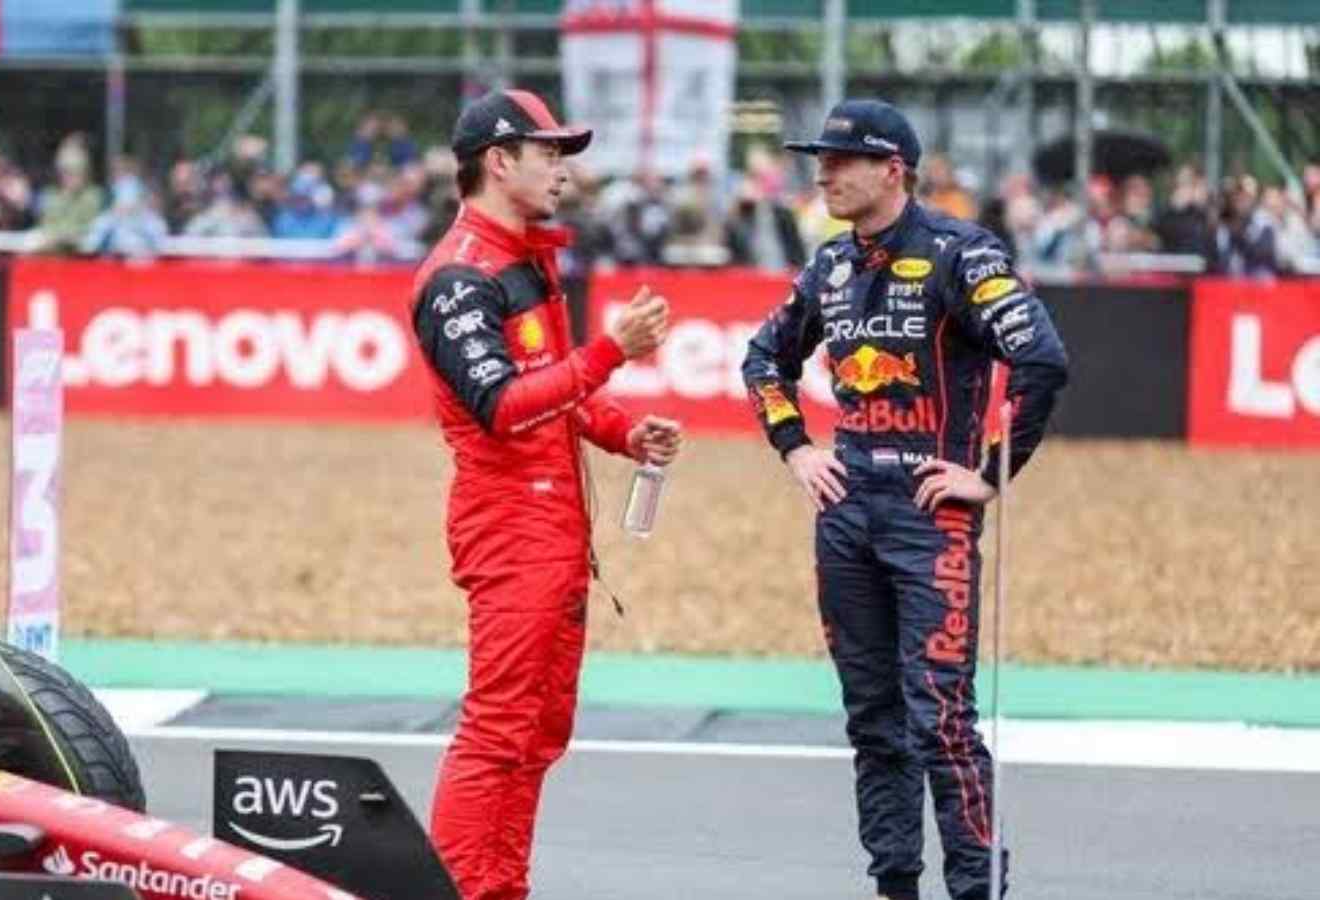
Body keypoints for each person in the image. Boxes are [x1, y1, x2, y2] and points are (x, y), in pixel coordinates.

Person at [741, 99, 1069, 900]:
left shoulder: (961, 252)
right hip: (846, 512)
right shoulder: (829, 265)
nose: (823, 172)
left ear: (894, 169)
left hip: (932, 517)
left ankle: (974, 888)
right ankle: (893, 885)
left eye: (841, 159)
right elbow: (762, 361)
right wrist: (797, 449)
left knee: (942, 723)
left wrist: (990, 473)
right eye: (818, 157)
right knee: (873, 724)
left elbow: (1043, 360)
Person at [409, 88, 682, 900]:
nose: (563, 171)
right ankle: (463, 889)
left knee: (537, 733)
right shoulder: (460, 277)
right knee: (498, 731)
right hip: (510, 525)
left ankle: (502, 889)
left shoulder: (527, 257)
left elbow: (552, 394)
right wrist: (610, 353)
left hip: (555, 522)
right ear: (499, 161)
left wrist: (625, 432)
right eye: (549, 152)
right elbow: (501, 406)